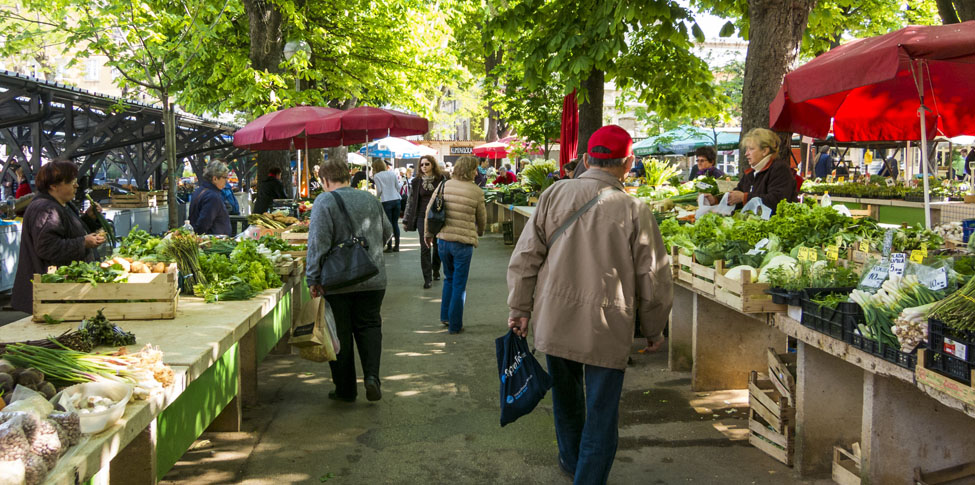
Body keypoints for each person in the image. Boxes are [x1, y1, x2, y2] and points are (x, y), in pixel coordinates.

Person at [506, 125, 673, 484]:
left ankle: (570, 462)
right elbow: (654, 276)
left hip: (554, 315)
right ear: (629, 163)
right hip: (607, 324)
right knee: (602, 411)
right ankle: (588, 477)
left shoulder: (553, 195)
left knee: (566, 401)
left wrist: (519, 308)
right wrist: (654, 328)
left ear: (585, 159)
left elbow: (525, 257)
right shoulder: (634, 208)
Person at [306, 157, 393, 403]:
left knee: (340, 334)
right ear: (348, 175)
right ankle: (372, 378)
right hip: (373, 277)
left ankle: (345, 390)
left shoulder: (324, 201)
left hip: (338, 281)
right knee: (370, 326)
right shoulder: (370, 198)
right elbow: (387, 232)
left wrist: (312, 277)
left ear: (324, 180)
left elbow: (317, 243)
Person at [12, 161, 106, 313]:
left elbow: (66, 231)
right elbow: (47, 248)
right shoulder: (46, 209)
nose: (76, 186)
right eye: (71, 182)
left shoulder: (60, 204)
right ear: (53, 186)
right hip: (49, 295)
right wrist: (83, 243)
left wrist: (89, 219)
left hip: (58, 293)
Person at [424, 155, 485, 334]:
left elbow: (430, 209)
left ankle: (445, 316)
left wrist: (428, 234)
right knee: (459, 283)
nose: (477, 172)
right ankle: (455, 325)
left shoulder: (444, 185)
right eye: (475, 169)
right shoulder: (476, 191)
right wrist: (479, 232)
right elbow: (481, 218)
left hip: (443, 240)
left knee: (448, 279)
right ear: (470, 170)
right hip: (463, 243)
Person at [705, 128, 798, 215]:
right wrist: (715, 200)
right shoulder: (752, 172)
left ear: (765, 151)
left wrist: (744, 197)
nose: (746, 153)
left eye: (751, 149)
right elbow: (737, 194)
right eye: (746, 149)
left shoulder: (779, 169)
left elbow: (777, 201)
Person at [403, 154, 446, 288]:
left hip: (438, 216)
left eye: (427, 164)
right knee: (424, 247)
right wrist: (406, 219)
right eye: (422, 165)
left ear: (432, 164)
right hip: (422, 217)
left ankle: (436, 269)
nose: (424, 167)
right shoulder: (416, 182)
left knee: (438, 246)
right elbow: (410, 201)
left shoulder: (441, 179)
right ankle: (427, 278)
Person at [189, 160, 232, 235]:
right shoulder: (212, 196)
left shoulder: (200, 190)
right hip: (212, 242)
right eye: (225, 178)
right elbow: (203, 224)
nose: (226, 181)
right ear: (215, 179)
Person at [372, 158, 402, 252]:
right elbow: (398, 186)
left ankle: (389, 246)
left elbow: (379, 190)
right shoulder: (392, 173)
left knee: (388, 225)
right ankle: (397, 246)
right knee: (395, 223)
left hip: (386, 201)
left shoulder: (377, 176)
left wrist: (376, 198)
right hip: (396, 199)